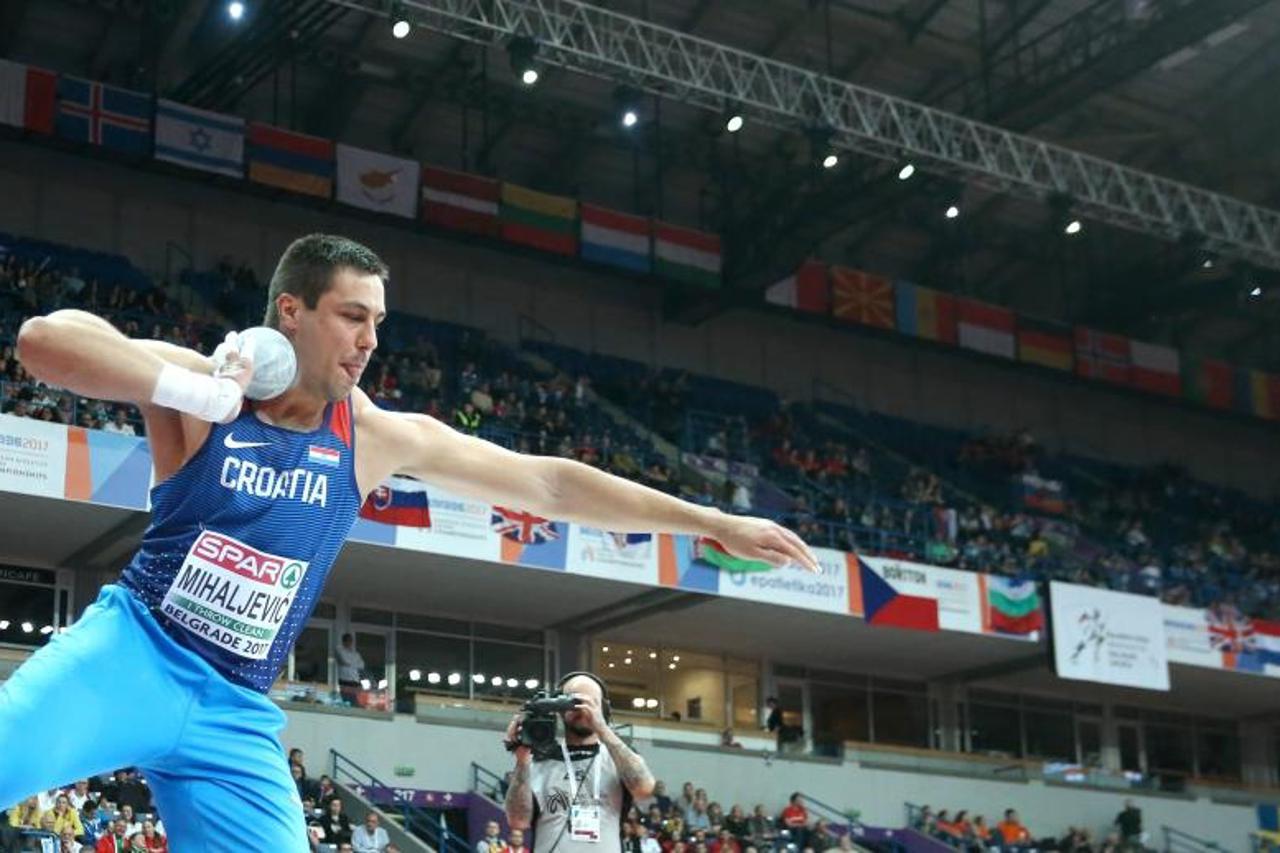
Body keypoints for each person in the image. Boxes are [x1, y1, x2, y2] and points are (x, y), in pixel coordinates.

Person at [1, 234, 817, 852]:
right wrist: (196, 390)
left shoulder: (371, 435)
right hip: (135, 654)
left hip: (235, 713)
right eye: (352, 316)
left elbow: (547, 484)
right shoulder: (209, 388)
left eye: (378, 322)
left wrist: (713, 522)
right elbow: (45, 339)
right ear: (291, 312)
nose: (369, 340)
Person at [503, 672, 661, 853]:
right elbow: (517, 821)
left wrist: (602, 728)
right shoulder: (539, 760)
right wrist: (522, 761)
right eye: (573, 701)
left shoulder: (617, 757)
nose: (582, 708)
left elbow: (644, 789)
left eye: (591, 702)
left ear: (604, 709)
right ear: (560, 708)